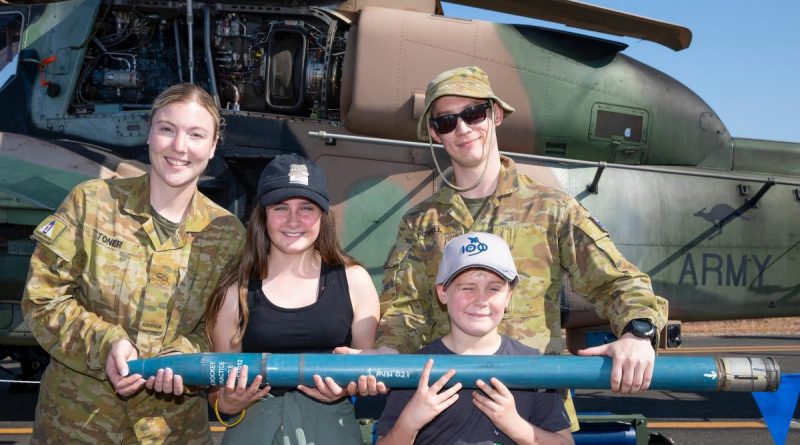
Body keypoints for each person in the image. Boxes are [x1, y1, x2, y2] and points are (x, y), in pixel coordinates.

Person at [374, 66, 669, 430]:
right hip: (442, 412)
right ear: (435, 134)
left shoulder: (550, 208)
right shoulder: (421, 222)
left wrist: (638, 332)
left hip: (534, 409)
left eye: (473, 114)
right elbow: (406, 308)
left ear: (495, 114)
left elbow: (618, 280)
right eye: (447, 121)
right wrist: (386, 355)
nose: (463, 129)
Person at [21, 83, 245, 444]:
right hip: (76, 427)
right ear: (150, 133)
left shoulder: (228, 234)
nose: (179, 147)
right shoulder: (91, 203)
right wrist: (106, 345)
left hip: (172, 432)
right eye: (167, 129)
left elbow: (220, 330)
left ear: (214, 145)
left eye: (196, 134)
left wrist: (183, 357)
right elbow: (43, 299)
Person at [205, 153, 381, 444]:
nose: (294, 220)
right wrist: (228, 403)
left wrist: (347, 388)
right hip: (254, 430)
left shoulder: (354, 281)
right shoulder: (235, 292)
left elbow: (365, 372)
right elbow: (217, 390)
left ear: (323, 215)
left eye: (306, 208)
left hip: (331, 429)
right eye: (281, 208)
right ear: (263, 215)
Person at [376, 232, 573, 445]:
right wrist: (410, 422)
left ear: (508, 296)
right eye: (467, 288)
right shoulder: (418, 369)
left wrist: (515, 425)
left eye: (494, 288)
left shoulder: (532, 366)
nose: (481, 300)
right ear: (443, 292)